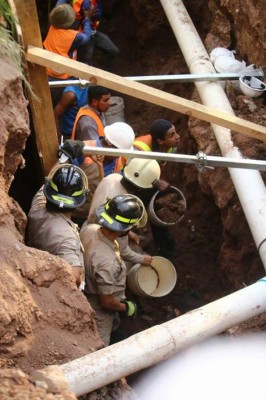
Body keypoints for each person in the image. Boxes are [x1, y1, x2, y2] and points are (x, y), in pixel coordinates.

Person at [80, 194, 152, 345]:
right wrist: (125, 306)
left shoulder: (90, 229)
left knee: (114, 325)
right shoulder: (108, 262)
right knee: (100, 346)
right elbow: (106, 302)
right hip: (99, 310)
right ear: (123, 230)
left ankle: (116, 329)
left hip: (87, 291)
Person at [26, 164, 89, 287]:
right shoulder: (67, 237)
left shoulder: (37, 208)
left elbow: (46, 185)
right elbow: (75, 277)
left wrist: (63, 158)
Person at [60, 121, 135, 222]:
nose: (119, 156)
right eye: (118, 152)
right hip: (70, 211)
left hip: (93, 215)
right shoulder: (84, 148)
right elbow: (61, 163)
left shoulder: (118, 161)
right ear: (109, 144)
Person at [133, 119, 181, 258]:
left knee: (157, 215)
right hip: (131, 183)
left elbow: (161, 164)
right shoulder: (139, 150)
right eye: (172, 135)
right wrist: (155, 182)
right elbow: (132, 172)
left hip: (148, 180)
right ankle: (134, 239)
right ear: (160, 141)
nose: (178, 136)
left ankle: (165, 249)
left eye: (176, 132)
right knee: (134, 212)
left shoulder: (170, 146)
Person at [43, 4, 92, 106]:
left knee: (49, 100)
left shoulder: (51, 27)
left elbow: (58, 5)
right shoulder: (72, 37)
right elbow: (86, 37)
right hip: (62, 76)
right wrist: (87, 19)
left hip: (47, 71)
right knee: (61, 101)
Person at [56, 0, 120, 71]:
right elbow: (97, 15)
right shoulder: (86, 3)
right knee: (86, 61)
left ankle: (107, 73)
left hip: (93, 32)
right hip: (85, 34)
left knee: (114, 51)